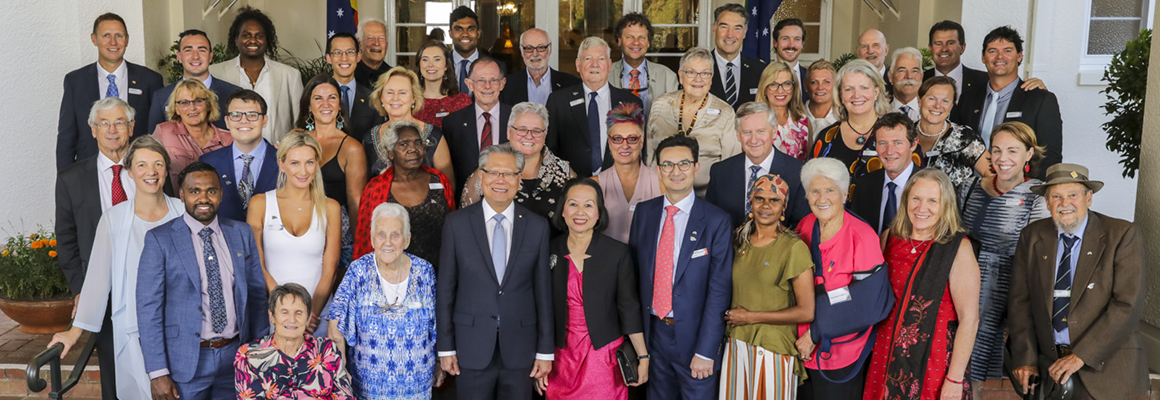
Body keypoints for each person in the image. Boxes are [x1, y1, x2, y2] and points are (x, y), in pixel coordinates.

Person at [49, 136, 184, 400]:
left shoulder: (182, 212)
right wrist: (74, 332)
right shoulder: (114, 219)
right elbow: (98, 281)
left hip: (182, 325)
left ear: (167, 171)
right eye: (142, 165)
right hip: (134, 326)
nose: (151, 172)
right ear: (130, 171)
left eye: (158, 164)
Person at [1008, 163, 1148, 399]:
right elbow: (1020, 302)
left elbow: (1127, 305)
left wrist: (1081, 355)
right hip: (1052, 371)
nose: (1065, 203)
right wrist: (1026, 358)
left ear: (1089, 198)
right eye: (1056, 196)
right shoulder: (1032, 236)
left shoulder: (1122, 234)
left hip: (1109, 373)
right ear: (1046, 201)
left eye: (1073, 194)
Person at [136, 162, 269, 399]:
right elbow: (149, 310)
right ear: (182, 194)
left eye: (211, 190)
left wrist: (259, 352)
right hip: (185, 362)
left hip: (236, 357)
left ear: (220, 194)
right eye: (194, 191)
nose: (203, 198)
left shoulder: (241, 233)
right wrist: (157, 372)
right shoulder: (160, 240)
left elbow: (257, 295)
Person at [437, 143, 554, 400]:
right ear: (481, 175)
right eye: (493, 172)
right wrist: (445, 348)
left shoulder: (537, 227)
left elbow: (543, 292)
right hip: (470, 346)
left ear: (519, 179)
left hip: (521, 348)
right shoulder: (456, 224)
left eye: (509, 173)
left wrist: (545, 352)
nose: (501, 180)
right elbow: (446, 289)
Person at [628, 135, 733, 399]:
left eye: (684, 164)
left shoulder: (716, 220)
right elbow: (634, 277)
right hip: (653, 335)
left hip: (695, 339)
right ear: (658, 170)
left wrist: (706, 350)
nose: (676, 172)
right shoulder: (644, 213)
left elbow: (719, 290)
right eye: (668, 165)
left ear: (696, 168)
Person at [863, 168, 981, 400]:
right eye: (916, 198)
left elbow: (970, 319)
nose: (921, 207)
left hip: (934, 361)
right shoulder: (890, 238)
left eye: (932, 201)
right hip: (885, 354)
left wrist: (954, 379)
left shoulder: (958, 248)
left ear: (945, 205)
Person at [55, 98, 138, 399]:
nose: (112, 130)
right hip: (101, 289)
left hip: (147, 283)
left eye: (119, 122)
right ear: (93, 130)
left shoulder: (151, 171)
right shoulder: (71, 179)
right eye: (104, 123)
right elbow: (66, 240)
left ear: (131, 128)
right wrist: (82, 290)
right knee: (113, 373)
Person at [958, 122, 1048, 394]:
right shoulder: (968, 187)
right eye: (996, 150)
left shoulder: (1038, 195)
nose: (1002, 158)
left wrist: (1020, 312)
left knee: (984, 369)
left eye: (1012, 150)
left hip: (1008, 290)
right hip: (963, 284)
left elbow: (1036, 259)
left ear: (1029, 154)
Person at [543, 178, 648, 399]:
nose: (580, 212)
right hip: (559, 360)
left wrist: (643, 356)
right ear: (562, 210)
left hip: (604, 358)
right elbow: (538, 309)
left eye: (588, 205)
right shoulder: (547, 250)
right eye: (573, 204)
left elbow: (629, 308)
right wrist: (539, 357)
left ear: (599, 213)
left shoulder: (617, 253)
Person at [328, 202, 441, 398]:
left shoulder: (425, 272)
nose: (387, 242)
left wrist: (440, 361)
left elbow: (439, 323)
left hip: (417, 387)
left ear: (407, 240)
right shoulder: (358, 271)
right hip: (368, 388)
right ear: (372, 239)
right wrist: (340, 372)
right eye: (381, 234)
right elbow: (335, 326)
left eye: (395, 235)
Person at [794, 157, 884, 399]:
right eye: (815, 191)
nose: (822, 199)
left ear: (844, 194)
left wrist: (815, 334)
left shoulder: (862, 236)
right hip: (799, 348)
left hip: (842, 352)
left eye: (830, 190)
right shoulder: (804, 225)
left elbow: (868, 303)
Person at [720, 174, 815, 400]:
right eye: (759, 198)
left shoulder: (794, 247)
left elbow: (807, 311)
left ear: (784, 207)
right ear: (750, 202)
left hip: (773, 347)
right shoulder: (738, 240)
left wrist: (751, 317)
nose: (765, 206)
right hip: (736, 342)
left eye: (774, 200)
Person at [247, 131, 342, 334]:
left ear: (317, 163)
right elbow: (257, 263)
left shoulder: (330, 207)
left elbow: (330, 269)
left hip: (317, 315)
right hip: (275, 313)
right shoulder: (260, 204)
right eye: (295, 163)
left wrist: (309, 314)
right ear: (282, 164)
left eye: (309, 162)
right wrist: (285, 310)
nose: (303, 171)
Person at [951, 26, 1062, 179]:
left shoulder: (1040, 100)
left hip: (1018, 192)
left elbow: (1050, 156)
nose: (999, 57)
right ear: (983, 57)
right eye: (992, 51)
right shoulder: (968, 99)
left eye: (1007, 51)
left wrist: (1031, 193)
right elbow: (955, 143)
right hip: (971, 190)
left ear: (1019, 56)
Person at [58, 12, 163, 170]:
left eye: (119, 35)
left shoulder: (150, 79)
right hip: (90, 171)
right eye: (106, 35)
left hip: (138, 171)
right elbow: (66, 138)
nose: (113, 42)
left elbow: (158, 133)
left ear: (126, 39)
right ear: (94, 39)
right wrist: (65, 183)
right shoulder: (75, 81)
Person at [354, 121, 456, 266]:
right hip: (393, 277)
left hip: (439, 271)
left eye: (418, 143)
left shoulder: (439, 180)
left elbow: (453, 231)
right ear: (390, 153)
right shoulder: (376, 188)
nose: (413, 149)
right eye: (404, 144)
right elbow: (365, 239)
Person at [294, 74, 368, 266]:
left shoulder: (351, 147)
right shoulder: (295, 138)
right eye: (318, 98)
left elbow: (355, 202)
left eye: (332, 98)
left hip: (337, 237)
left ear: (339, 103)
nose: (325, 104)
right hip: (297, 230)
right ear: (309, 105)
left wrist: (358, 249)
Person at [235, 283, 355, 398]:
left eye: (299, 313)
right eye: (284, 312)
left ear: (308, 319)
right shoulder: (248, 355)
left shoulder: (327, 349)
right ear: (272, 316)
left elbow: (344, 396)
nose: (292, 320)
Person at [647, 47, 740, 196]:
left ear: (711, 77)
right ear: (680, 76)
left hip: (707, 197)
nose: (698, 79)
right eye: (691, 72)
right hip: (662, 194)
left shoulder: (726, 112)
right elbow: (649, 155)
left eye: (705, 73)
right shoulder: (660, 104)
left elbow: (731, 165)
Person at [546, 36, 644, 177]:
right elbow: (550, 151)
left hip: (619, 186)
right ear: (578, 65)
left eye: (601, 59)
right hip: (573, 187)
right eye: (588, 59)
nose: (594, 64)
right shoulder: (558, 101)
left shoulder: (630, 102)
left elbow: (638, 150)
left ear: (610, 65)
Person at [462, 103, 576, 221]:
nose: (529, 136)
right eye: (522, 129)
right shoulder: (487, 169)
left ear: (545, 134)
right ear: (508, 131)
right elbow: (467, 219)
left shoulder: (564, 172)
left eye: (536, 131)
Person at [707, 101, 809, 229]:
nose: (754, 140)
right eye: (747, 132)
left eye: (761, 131)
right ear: (738, 135)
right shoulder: (720, 172)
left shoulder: (798, 173)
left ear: (774, 131)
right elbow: (711, 223)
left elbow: (799, 227)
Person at [210, 6, 304, 144]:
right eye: (246, 35)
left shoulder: (290, 75)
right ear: (236, 39)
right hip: (230, 155)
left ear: (267, 41)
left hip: (277, 156)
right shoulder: (215, 73)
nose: (253, 40)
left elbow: (300, 122)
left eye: (259, 36)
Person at [199, 90, 280, 222]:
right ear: (227, 121)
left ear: (264, 120)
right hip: (225, 241)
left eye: (252, 115)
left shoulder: (286, 161)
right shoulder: (208, 162)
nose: (244, 121)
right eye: (236, 115)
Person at [364, 66, 454, 183]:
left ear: (413, 98)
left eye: (402, 93)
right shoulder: (369, 138)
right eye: (390, 92)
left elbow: (449, 184)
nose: (395, 98)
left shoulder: (434, 135)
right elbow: (363, 187)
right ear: (381, 97)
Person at [808, 59, 891, 178]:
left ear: (876, 92)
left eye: (864, 87)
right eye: (849, 89)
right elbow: (812, 182)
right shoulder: (826, 137)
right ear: (841, 95)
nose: (856, 95)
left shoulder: (897, 132)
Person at [443, 58, 513, 198]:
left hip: (509, 199)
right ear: (469, 84)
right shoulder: (452, 122)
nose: (487, 86)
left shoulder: (516, 119)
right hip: (466, 204)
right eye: (481, 80)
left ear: (502, 84)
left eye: (493, 80)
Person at [148, 29, 241, 133]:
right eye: (188, 50)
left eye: (202, 50)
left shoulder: (234, 94)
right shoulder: (161, 97)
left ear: (210, 56)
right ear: (179, 56)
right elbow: (153, 143)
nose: (195, 56)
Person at [594, 103, 662, 243]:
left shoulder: (661, 183)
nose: (625, 146)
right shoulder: (594, 184)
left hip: (648, 262)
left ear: (641, 141)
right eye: (617, 139)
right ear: (610, 142)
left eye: (632, 139)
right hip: (609, 263)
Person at [153, 79, 234, 193]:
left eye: (198, 101)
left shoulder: (229, 139)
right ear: (176, 109)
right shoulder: (164, 132)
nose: (192, 107)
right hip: (176, 206)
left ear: (209, 104)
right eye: (184, 103)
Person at [848, 113, 920, 234]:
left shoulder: (933, 186)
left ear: (913, 144)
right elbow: (856, 232)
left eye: (897, 143)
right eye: (882, 143)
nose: (889, 151)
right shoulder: (865, 184)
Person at [915, 77, 988, 194]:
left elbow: (992, 176)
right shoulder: (905, 135)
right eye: (932, 98)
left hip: (953, 211)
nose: (937, 106)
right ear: (919, 100)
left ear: (952, 105)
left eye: (945, 101)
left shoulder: (965, 137)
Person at [610, 13, 680, 115]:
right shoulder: (606, 74)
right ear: (619, 41)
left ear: (648, 42)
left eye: (641, 37)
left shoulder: (667, 76)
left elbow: (672, 118)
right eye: (630, 37)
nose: (636, 42)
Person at [328, 32, 386, 142]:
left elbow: (377, 141)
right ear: (328, 58)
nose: (344, 58)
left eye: (350, 52)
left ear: (358, 56)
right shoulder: (317, 96)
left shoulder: (372, 98)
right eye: (337, 52)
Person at [500, 28, 582, 106]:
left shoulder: (571, 84)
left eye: (541, 47)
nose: (535, 54)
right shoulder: (506, 86)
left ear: (549, 49)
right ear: (522, 52)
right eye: (529, 48)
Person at [709, 4, 767, 109]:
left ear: (745, 33)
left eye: (737, 28)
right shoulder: (699, 69)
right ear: (714, 29)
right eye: (724, 27)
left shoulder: (760, 70)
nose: (730, 34)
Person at [755, 61, 811, 161]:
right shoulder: (753, 121)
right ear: (764, 88)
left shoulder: (804, 121)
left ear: (794, 88)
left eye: (786, 83)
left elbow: (809, 161)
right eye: (773, 84)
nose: (780, 90)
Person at [924, 20, 989, 103]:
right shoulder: (920, 81)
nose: (944, 49)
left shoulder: (984, 82)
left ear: (962, 47)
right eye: (938, 44)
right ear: (930, 48)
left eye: (950, 43)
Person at [449, 6, 508, 96]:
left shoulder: (497, 66)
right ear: (450, 33)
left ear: (478, 33)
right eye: (459, 29)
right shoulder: (440, 64)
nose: (465, 34)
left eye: (470, 29)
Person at [413, 40, 473, 129]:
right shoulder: (410, 101)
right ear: (419, 65)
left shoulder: (462, 102)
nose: (430, 64)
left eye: (437, 59)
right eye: (425, 59)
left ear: (446, 66)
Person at [772, 18, 810, 100]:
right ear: (775, 43)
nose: (791, 45)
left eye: (797, 39)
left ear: (802, 44)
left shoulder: (810, 78)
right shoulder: (760, 75)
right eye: (785, 38)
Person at [354, 18, 394, 89]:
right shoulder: (350, 76)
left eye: (382, 39)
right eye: (370, 38)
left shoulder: (394, 76)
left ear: (387, 44)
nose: (376, 43)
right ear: (359, 43)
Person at [888, 47, 924, 122]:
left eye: (914, 71)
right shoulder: (879, 111)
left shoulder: (932, 110)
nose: (909, 76)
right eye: (902, 71)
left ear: (921, 77)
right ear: (890, 77)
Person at [805, 60, 839, 134]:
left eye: (826, 82)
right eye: (814, 82)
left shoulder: (845, 118)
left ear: (835, 85)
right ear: (805, 86)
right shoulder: (794, 117)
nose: (820, 87)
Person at [856, 29, 892, 95]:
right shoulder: (849, 83)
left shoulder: (896, 85)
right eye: (864, 46)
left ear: (886, 50)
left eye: (876, 45)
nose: (870, 51)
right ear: (858, 52)